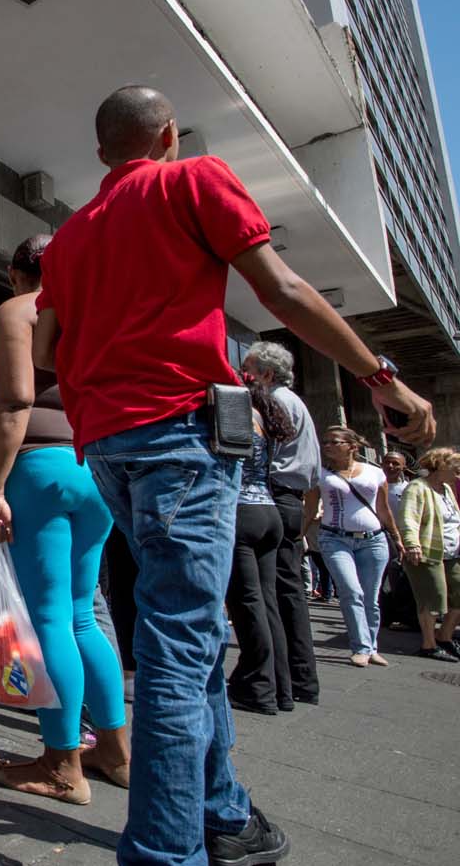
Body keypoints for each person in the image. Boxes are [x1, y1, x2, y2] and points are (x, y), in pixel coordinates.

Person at [32, 85, 434, 866]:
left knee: (186, 631)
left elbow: (49, 349)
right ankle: (162, 849)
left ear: (101, 151)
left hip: (108, 442)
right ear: (169, 134)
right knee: (182, 643)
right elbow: (280, 289)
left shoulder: (73, 234)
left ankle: (222, 813)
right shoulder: (195, 179)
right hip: (180, 432)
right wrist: (382, 377)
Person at [0, 234, 129, 805]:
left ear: (17, 273)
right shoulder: (95, 309)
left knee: (50, 621)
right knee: (83, 617)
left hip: (39, 469)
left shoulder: (20, 309)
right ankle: (115, 751)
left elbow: (15, 401)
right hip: (95, 469)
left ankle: (62, 765)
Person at [242, 341, 322, 706]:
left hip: (271, 495)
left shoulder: (273, 404)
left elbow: (259, 457)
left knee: (269, 595)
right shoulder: (298, 404)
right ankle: (297, 681)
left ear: (266, 374)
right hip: (286, 500)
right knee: (284, 594)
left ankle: (276, 682)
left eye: (247, 370)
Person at [302, 426, 402, 668]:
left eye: (334, 442)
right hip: (334, 538)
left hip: (373, 539)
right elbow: (310, 508)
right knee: (351, 591)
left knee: (371, 596)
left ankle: (372, 647)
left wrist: (397, 537)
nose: (327, 446)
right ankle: (360, 647)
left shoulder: (374, 472)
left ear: (352, 446)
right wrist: (299, 536)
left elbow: (383, 509)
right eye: (325, 442)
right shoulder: (320, 474)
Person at [225, 373, 294, 714]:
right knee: (268, 603)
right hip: (268, 510)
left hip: (241, 511)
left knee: (247, 603)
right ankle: (281, 688)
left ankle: (257, 686)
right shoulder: (265, 418)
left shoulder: (236, 411)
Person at [397, 447, 460, 661]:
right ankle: (428, 644)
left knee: (458, 595)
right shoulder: (417, 487)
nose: (458, 472)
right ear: (440, 466)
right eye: (455, 468)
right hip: (427, 551)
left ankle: (445, 637)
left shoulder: (446, 489)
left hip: (452, 552)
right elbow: (408, 518)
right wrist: (412, 545)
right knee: (433, 598)